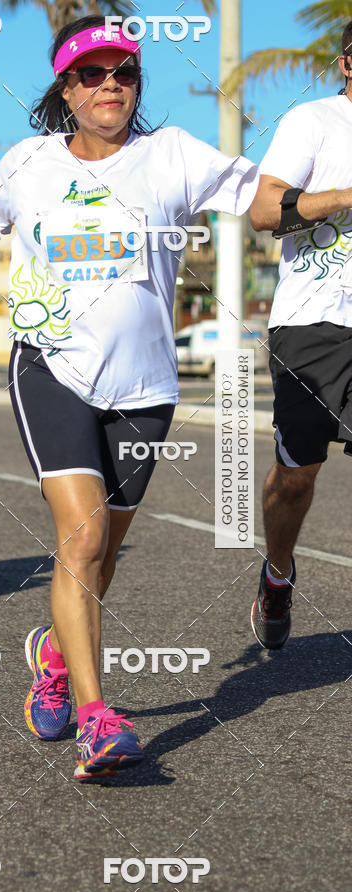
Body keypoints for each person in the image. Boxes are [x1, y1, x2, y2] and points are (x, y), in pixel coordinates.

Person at [0, 15, 258, 780]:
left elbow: (268, 197)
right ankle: (97, 717)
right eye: (93, 73)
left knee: (102, 552)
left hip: (146, 386)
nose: (110, 84)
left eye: (124, 72)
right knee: (81, 539)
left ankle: (52, 654)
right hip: (50, 366)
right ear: (65, 87)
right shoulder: (30, 162)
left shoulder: (170, 155)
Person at [249, 21, 352, 651]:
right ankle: (278, 573)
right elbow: (265, 212)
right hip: (311, 324)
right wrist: (342, 196)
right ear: (347, 62)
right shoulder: (313, 122)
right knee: (297, 476)